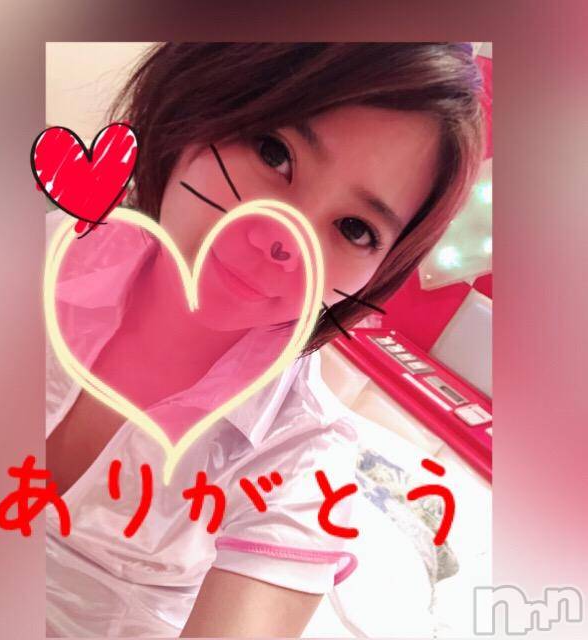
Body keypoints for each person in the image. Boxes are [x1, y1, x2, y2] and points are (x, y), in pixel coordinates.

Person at [45, 42, 485, 637]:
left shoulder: (302, 459)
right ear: (197, 97)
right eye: (274, 153)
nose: (285, 241)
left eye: (354, 229)